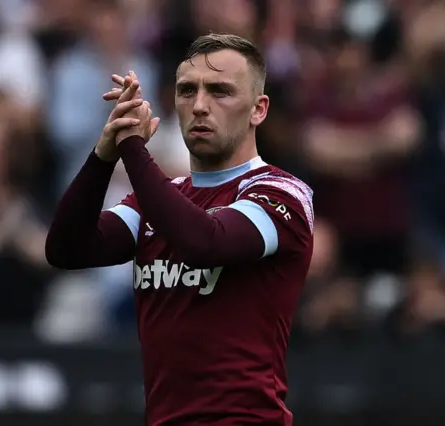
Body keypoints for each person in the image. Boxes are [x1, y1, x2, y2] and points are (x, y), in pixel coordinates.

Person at [46, 33, 314, 426]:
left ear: (259, 109)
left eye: (220, 91)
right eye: (187, 90)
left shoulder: (281, 194)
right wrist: (104, 156)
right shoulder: (160, 200)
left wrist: (134, 149)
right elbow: (67, 249)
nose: (200, 105)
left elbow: (205, 242)